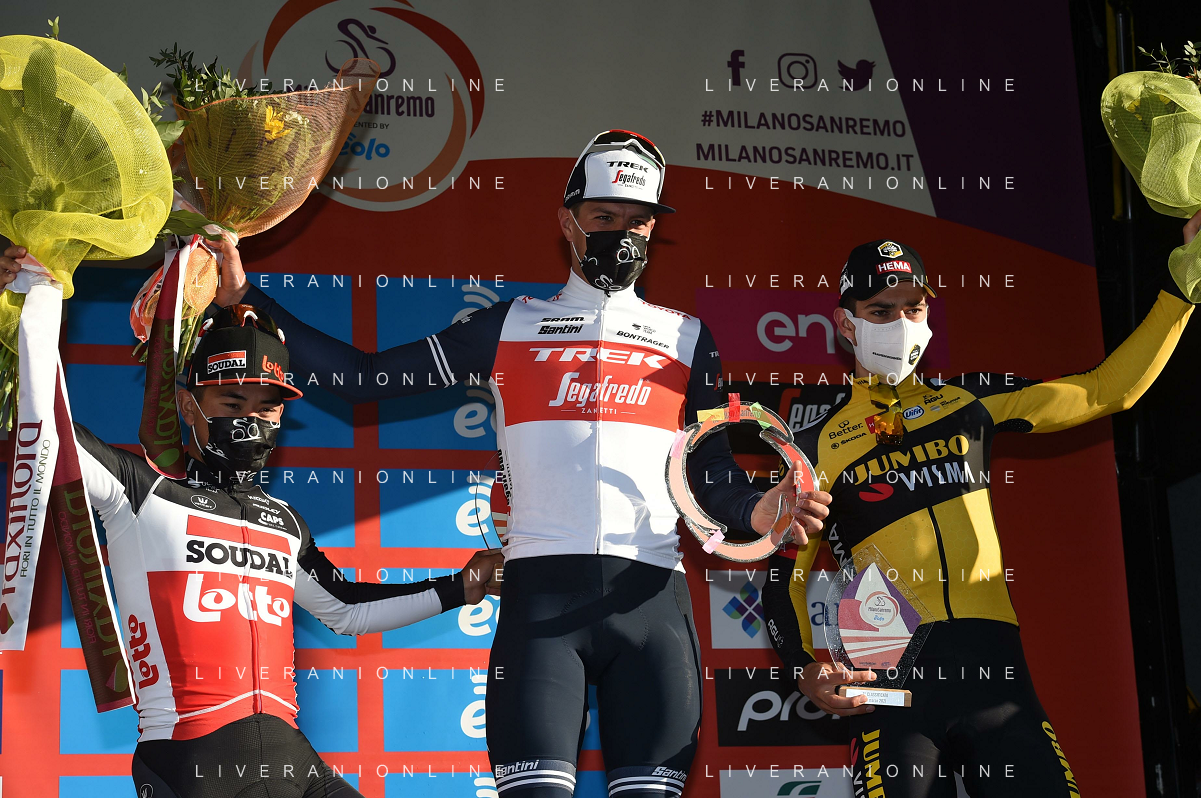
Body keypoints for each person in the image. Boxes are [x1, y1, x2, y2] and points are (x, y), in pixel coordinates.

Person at [210, 129, 833, 797]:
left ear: (654, 230)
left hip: (653, 603)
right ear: (567, 221)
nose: (620, 236)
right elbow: (365, 380)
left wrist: (756, 511)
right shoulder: (509, 324)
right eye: (603, 218)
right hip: (542, 605)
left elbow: (710, 473)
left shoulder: (686, 337)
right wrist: (248, 297)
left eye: (636, 222)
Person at [0, 249, 504, 798]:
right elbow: (39, 417)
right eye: (232, 401)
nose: (250, 421)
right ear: (188, 406)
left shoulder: (284, 522)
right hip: (192, 758)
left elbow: (348, 609)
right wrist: (19, 300)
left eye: (267, 408)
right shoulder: (141, 490)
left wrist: (460, 588)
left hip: (293, 759)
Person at [761, 217, 1200, 798]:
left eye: (913, 308)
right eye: (880, 311)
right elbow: (783, 576)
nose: (900, 323)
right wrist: (804, 667)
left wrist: (1182, 286)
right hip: (887, 678)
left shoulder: (971, 401)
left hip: (994, 670)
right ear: (846, 324)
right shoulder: (815, 446)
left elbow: (1105, 389)